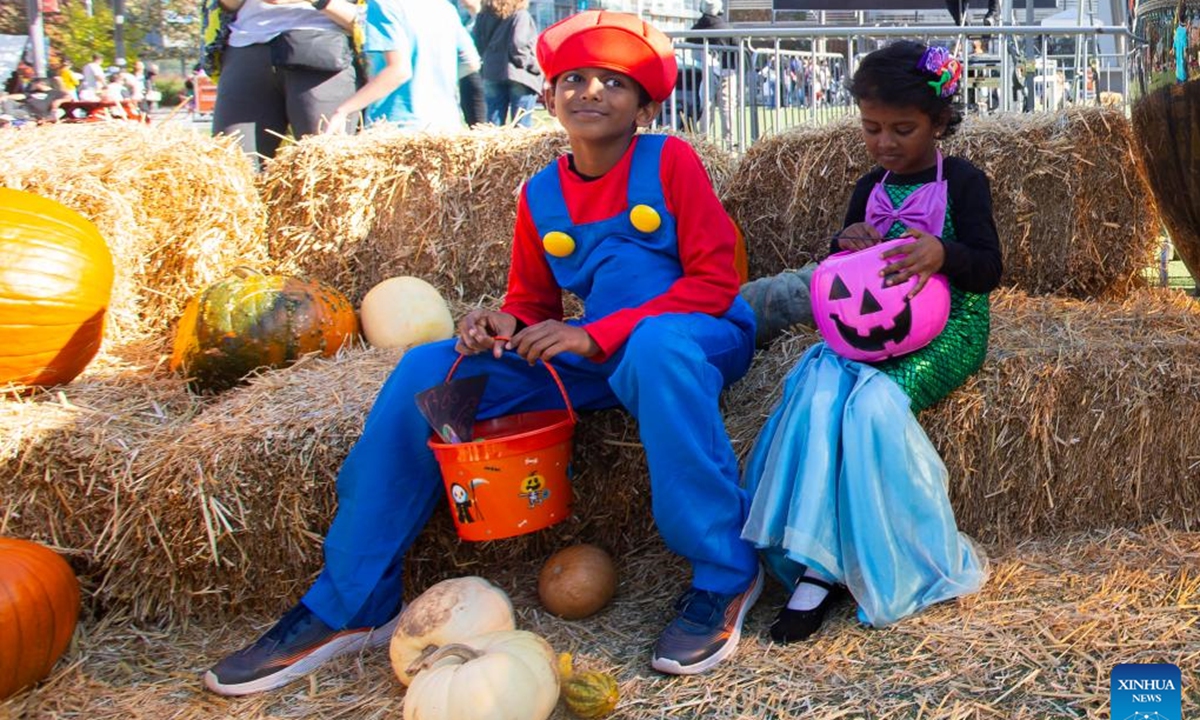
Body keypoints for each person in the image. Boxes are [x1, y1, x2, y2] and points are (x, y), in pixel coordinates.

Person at [203, 9, 762, 695]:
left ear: (645, 103)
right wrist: (497, 324)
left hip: (695, 334)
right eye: (573, 79)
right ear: (548, 96)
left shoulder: (669, 161)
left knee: (653, 348)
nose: (590, 92)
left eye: (612, 82)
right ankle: (350, 602)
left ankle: (725, 571)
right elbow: (534, 301)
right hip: (602, 350)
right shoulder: (541, 194)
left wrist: (598, 334)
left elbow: (714, 282)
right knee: (429, 369)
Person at [741, 41, 1002, 644]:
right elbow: (844, 275)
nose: (885, 142)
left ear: (939, 122)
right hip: (871, 330)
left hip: (950, 326)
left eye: (902, 129)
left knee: (871, 407)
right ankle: (817, 565)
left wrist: (943, 253)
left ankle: (885, 558)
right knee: (816, 392)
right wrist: (846, 242)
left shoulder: (962, 181)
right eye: (872, 128)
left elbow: (989, 269)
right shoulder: (869, 187)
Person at [211, 0, 359, 163]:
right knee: (232, 164)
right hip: (245, 45)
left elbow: (380, 21)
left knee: (326, 164)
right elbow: (228, 5)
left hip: (323, 49)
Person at [322, 0, 480, 132]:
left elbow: (398, 71)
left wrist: (344, 111)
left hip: (396, 125)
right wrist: (429, 79)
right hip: (445, 125)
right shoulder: (444, 7)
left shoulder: (383, 5)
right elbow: (471, 62)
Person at [473, 0, 541, 127]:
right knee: (521, 126)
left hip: (491, 72)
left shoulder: (482, 16)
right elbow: (518, 46)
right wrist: (536, 67)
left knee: (493, 126)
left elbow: (478, 43)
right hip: (519, 74)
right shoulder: (520, 15)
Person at [688, 0, 738, 146]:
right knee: (727, 107)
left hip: (705, 70)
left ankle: (703, 143)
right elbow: (737, 47)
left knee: (706, 105)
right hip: (727, 70)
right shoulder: (727, 28)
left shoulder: (697, 28)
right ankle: (730, 144)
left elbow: (689, 42)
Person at [456, 0, 487, 126]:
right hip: (466, 73)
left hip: (481, 71)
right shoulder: (464, 21)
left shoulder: (486, 19)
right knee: (468, 111)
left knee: (479, 118)